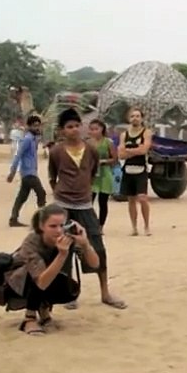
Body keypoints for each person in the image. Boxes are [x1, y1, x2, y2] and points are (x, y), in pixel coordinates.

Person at [48, 108, 127, 310]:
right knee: (63, 249)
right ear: (62, 130)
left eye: (77, 125)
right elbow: (52, 175)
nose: (74, 130)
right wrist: (59, 194)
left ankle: (105, 292)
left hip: (84, 205)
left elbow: (92, 172)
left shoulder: (91, 149)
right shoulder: (56, 151)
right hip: (63, 205)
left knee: (97, 247)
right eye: (69, 127)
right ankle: (69, 294)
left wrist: (83, 191)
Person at [3, 204, 102, 335]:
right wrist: (62, 255)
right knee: (36, 274)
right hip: (17, 283)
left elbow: (94, 264)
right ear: (41, 226)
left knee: (67, 288)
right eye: (53, 226)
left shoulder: (67, 238)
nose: (59, 231)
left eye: (62, 225)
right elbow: (41, 282)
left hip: (45, 280)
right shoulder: (32, 241)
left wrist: (85, 243)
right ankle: (29, 317)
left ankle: (44, 309)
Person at [119, 108, 153, 236]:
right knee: (131, 200)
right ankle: (134, 227)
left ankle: (147, 226)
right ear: (129, 119)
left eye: (138, 116)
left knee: (143, 198)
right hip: (128, 170)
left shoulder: (146, 132)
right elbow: (120, 154)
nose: (135, 118)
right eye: (132, 116)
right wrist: (135, 150)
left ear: (142, 118)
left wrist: (128, 151)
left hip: (141, 170)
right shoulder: (124, 135)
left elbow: (144, 150)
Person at [8, 114, 46, 227]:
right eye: (35, 126)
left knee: (22, 196)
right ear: (28, 127)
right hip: (28, 173)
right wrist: (12, 171)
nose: (38, 128)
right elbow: (18, 155)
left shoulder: (33, 139)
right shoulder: (27, 139)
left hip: (30, 172)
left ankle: (13, 218)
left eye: (39, 126)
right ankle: (42, 220)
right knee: (41, 193)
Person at [89, 119, 117, 226]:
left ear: (102, 129)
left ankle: (101, 225)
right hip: (92, 175)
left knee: (103, 202)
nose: (94, 131)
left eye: (96, 129)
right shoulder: (88, 143)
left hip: (105, 174)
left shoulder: (108, 142)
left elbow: (115, 159)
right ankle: (90, 223)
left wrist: (103, 161)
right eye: (92, 129)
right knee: (89, 201)